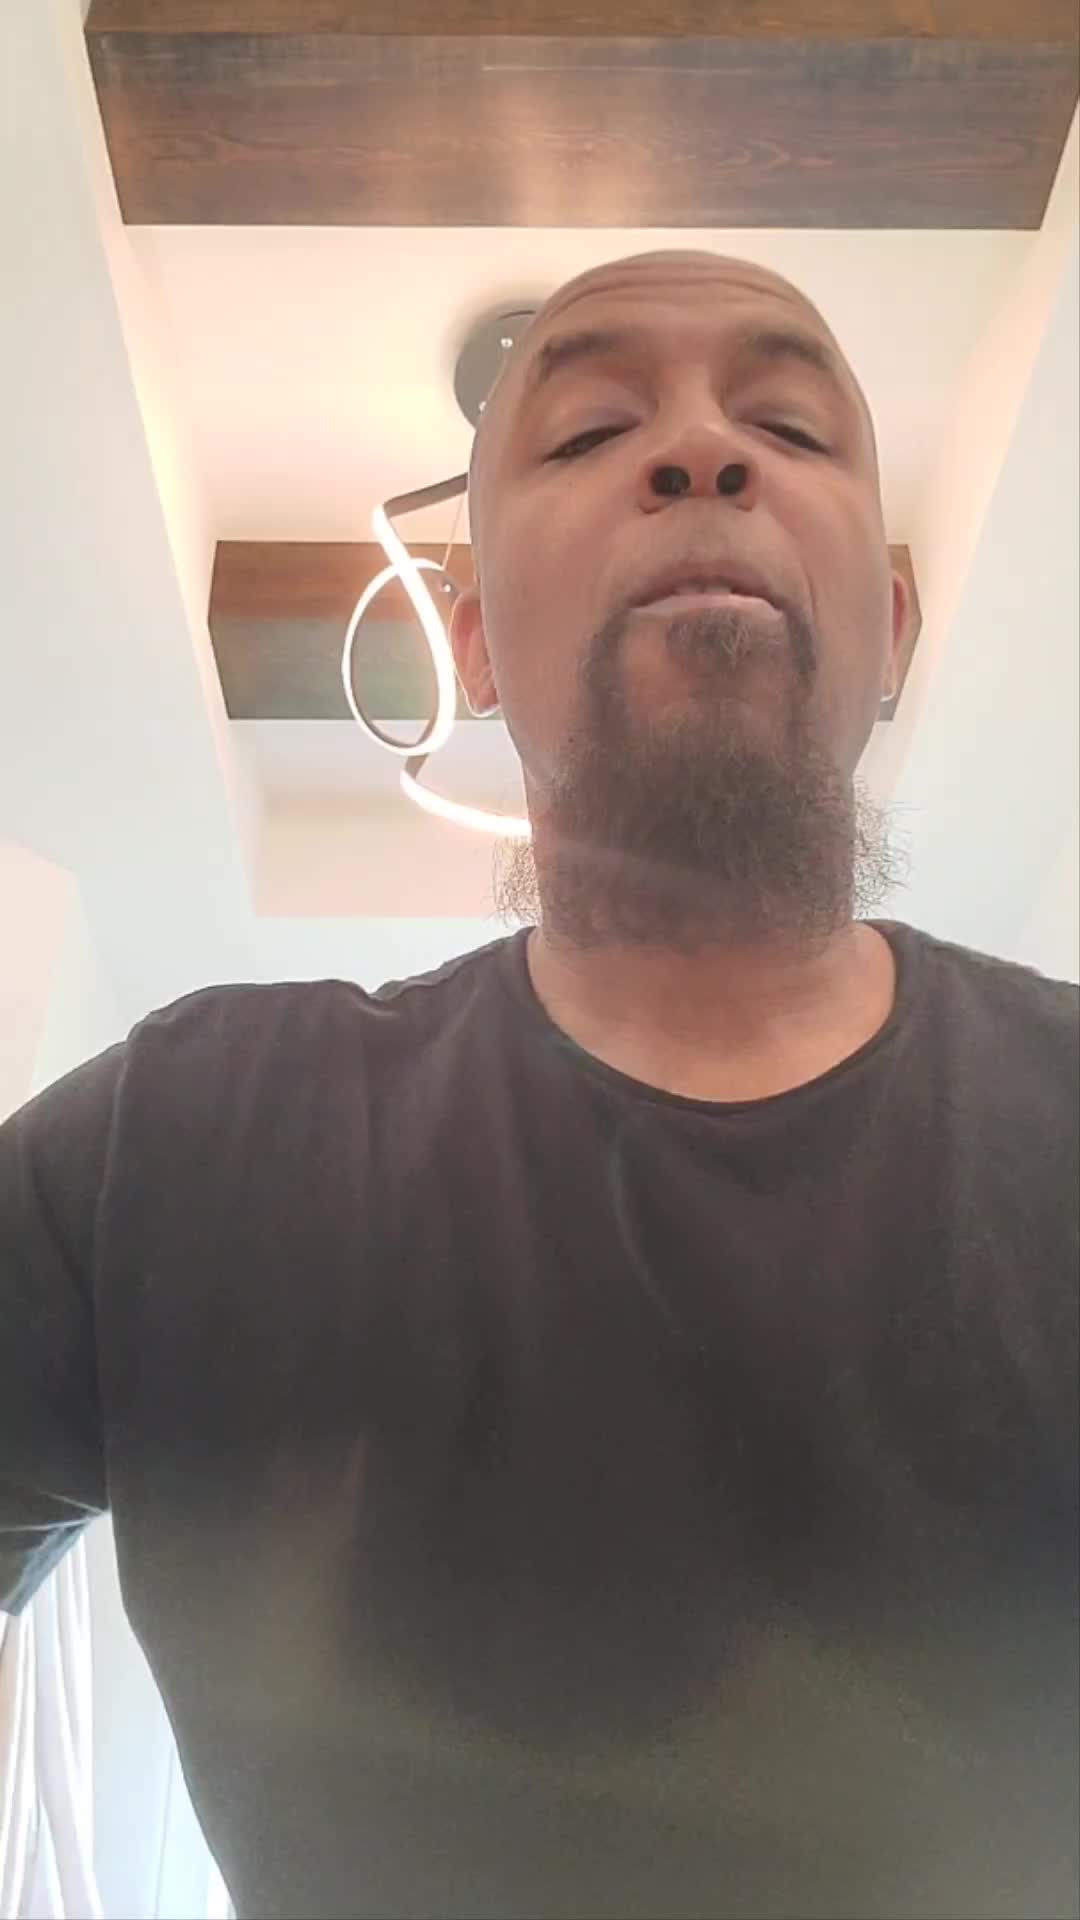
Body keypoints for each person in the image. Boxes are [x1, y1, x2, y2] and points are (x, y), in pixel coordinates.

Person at [1, 250, 1077, 1920]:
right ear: (475, 641)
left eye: (789, 425)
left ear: (890, 631)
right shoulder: (179, 1140)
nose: (700, 452)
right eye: (587, 432)